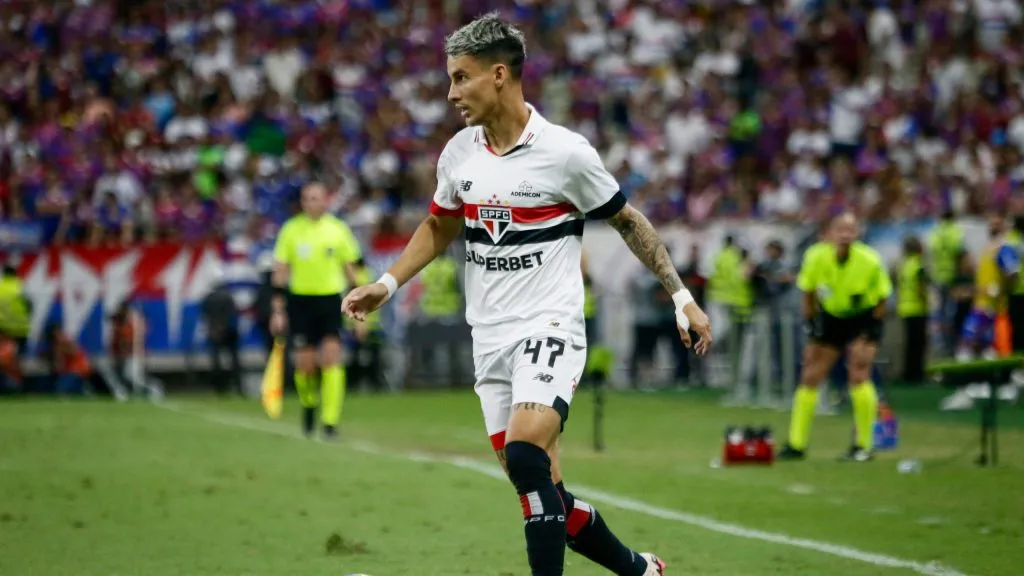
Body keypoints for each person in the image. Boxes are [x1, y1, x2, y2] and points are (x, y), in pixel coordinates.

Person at [342, 14, 711, 576]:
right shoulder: (458, 154)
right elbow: (440, 225)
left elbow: (629, 222)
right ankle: (640, 570)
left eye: (460, 78)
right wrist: (387, 284)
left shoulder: (565, 153)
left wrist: (681, 297)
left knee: (524, 454)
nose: (451, 93)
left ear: (498, 76)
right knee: (543, 498)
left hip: (550, 328)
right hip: (488, 339)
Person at [778, 212, 892, 462]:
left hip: (863, 317)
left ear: (858, 234)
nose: (845, 235)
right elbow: (808, 292)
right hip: (831, 317)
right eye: (840, 229)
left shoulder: (870, 260)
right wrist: (810, 323)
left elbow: (883, 296)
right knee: (810, 375)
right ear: (829, 232)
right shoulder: (816, 256)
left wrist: (872, 330)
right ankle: (796, 443)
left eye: (850, 230)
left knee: (858, 374)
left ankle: (864, 445)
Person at [271, 182, 361, 439]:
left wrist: (359, 304)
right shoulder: (291, 229)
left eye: (316, 198)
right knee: (305, 365)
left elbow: (351, 268)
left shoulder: (338, 229)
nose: (311, 202)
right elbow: (280, 271)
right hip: (300, 301)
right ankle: (309, 404)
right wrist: (278, 310)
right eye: (307, 198)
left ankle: (330, 421)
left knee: (332, 357)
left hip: (330, 300)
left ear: (325, 200)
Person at [955, 213, 1018, 361]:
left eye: (997, 223)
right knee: (976, 345)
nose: (993, 226)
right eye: (991, 223)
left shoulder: (1004, 248)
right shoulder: (987, 249)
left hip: (994, 308)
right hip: (981, 303)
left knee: (984, 345)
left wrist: (1001, 290)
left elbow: (1013, 273)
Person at [896, 236, 929, 384]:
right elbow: (921, 288)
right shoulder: (918, 266)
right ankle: (917, 374)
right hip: (917, 309)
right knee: (918, 343)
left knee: (909, 343)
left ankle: (908, 373)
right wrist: (926, 303)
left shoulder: (903, 265)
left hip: (904, 308)